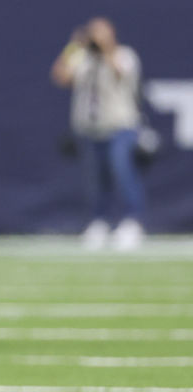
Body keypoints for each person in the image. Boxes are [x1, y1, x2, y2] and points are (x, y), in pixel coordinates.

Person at [50, 17, 146, 250]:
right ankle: (99, 222)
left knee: (123, 174)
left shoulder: (124, 54)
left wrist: (105, 47)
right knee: (95, 180)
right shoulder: (82, 58)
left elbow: (121, 73)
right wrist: (74, 46)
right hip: (89, 129)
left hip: (119, 127)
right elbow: (60, 76)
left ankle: (132, 223)